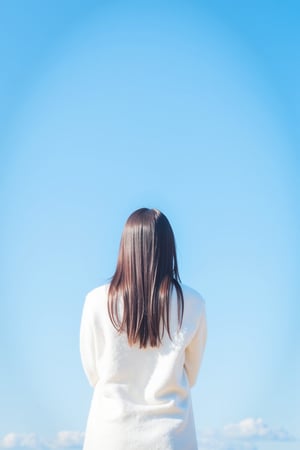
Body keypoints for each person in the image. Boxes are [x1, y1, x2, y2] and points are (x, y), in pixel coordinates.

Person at [79, 208, 207, 450]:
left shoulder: (95, 301)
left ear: (126, 246)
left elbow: (93, 372)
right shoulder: (193, 303)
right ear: (169, 247)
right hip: (172, 437)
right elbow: (192, 374)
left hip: (109, 435)